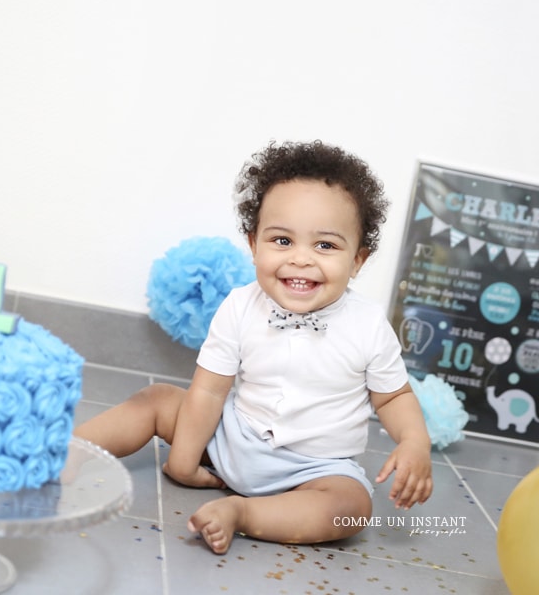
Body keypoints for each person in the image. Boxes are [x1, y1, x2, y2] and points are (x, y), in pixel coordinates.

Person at [75, 140, 433, 554]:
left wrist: (414, 442)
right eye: (282, 241)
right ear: (253, 244)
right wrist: (184, 462)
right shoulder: (241, 305)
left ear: (358, 260)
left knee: (351, 508)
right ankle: (66, 452)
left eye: (325, 245)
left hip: (313, 469)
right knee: (156, 400)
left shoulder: (368, 325)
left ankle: (243, 514)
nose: (301, 259)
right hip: (232, 436)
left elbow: (394, 398)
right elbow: (209, 390)